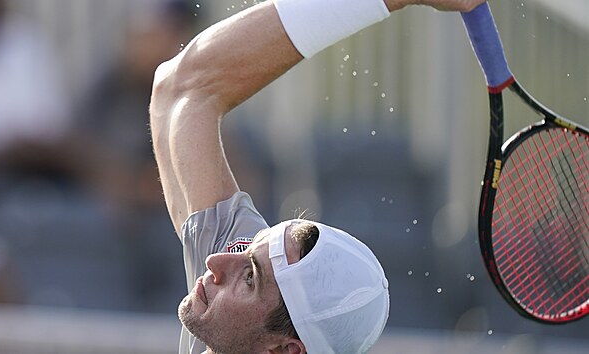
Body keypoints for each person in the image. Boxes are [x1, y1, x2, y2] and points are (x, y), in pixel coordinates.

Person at [149, 0, 486, 353]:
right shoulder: (246, 291)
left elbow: (189, 88)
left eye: (250, 278)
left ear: (285, 350)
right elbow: (182, 87)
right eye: (245, 248)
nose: (216, 261)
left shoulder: (237, 295)